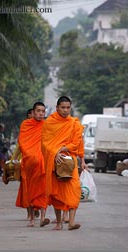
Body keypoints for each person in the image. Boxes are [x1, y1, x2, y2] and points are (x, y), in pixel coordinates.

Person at [41, 96, 84, 230]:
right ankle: (59, 223)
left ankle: (71, 222)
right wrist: (55, 153)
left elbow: (76, 142)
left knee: (74, 189)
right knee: (56, 193)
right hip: (55, 162)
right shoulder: (50, 122)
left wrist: (63, 149)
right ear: (57, 108)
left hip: (70, 162)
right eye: (63, 107)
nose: (66, 110)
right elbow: (45, 143)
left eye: (68, 107)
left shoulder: (74, 123)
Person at [16, 102, 49, 227]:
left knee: (43, 189)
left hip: (42, 162)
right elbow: (22, 142)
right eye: (38, 111)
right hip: (29, 161)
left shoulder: (46, 125)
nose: (41, 113)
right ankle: (31, 220)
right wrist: (31, 155)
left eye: (43, 111)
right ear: (33, 112)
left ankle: (43, 218)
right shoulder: (26, 125)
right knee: (30, 189)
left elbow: (49, 142)